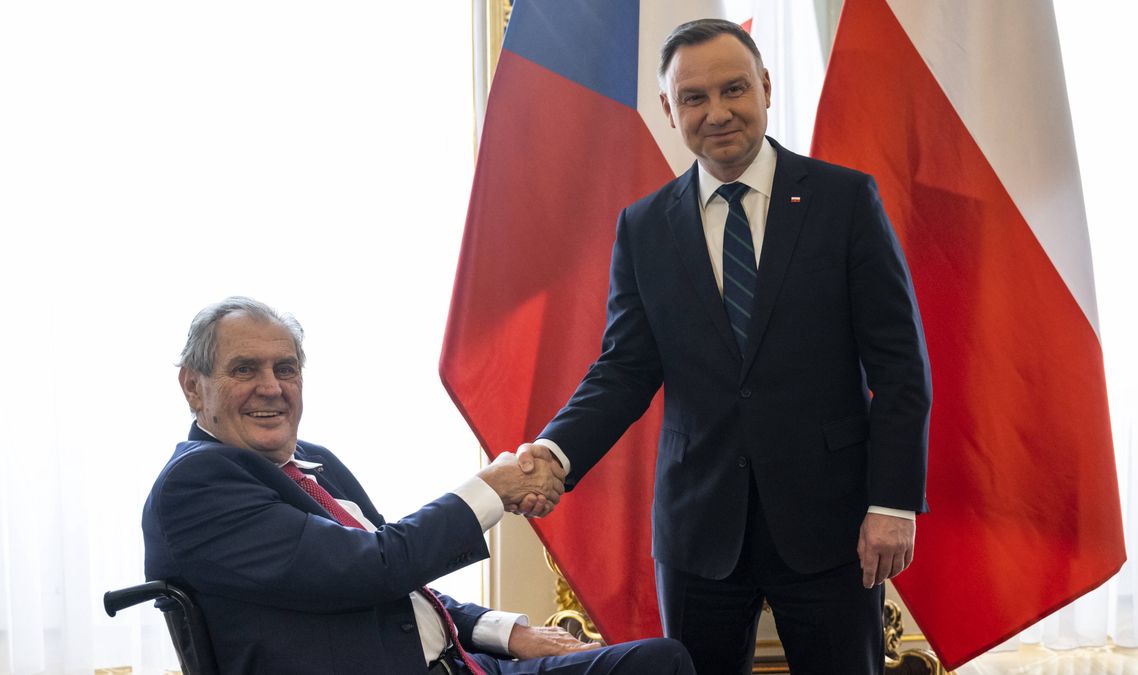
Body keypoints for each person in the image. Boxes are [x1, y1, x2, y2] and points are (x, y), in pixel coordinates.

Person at [516, 19, 932, 675]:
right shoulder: (644, 226)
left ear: (765, 88)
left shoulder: (843, 200)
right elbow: (624, 369)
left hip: (831, 524)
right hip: (698, 531)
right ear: (669, 109)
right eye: (694, 98)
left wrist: (892, 502)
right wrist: (556, 451)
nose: (718, 113)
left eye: (734, 89)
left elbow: (901, 367)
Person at [143, 296, 696, 675]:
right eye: (245, 371)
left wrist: (507, 632)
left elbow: (401, 583)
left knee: (659, 661)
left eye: (285, 369)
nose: (271, 388)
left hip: (464, 661)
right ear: (193, 388)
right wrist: (489, 490)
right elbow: (371, 566)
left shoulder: (312, 462)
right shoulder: (199, 484)